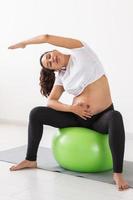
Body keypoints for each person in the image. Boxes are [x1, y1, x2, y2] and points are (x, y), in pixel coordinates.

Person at [8, 34, 129, 191]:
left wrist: (24, 43)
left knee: (115, 117)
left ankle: (117, 173)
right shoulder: (62, 76)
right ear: (54, 70)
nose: (52, 60)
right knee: (36, 113)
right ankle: (30, 159)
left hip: (101, 118)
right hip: (77, 118)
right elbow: (51, 101)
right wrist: (72, 109)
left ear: (55, 50)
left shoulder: (82, 52)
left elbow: (46, 37)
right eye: (49, 64)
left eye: (50, 56)